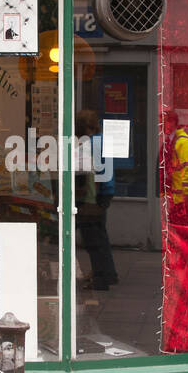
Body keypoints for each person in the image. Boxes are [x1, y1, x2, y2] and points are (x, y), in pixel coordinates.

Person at [75, 108, 118, 290]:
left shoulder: (87, 145)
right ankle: (108, 274)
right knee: (101, 236)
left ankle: (100, 278)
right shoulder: (102, 141)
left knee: (93, 240)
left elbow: (81, 174)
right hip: (105, 193)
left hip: (92, 197)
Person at [160, 110, 188, 225]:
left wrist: (187, 195)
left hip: (181, 200)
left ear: (172, 123)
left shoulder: (182, 142)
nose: (160, 125)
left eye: (163, 122)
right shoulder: (172, 141)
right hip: (176, 198)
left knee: (180, 230)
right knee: (177, 229)